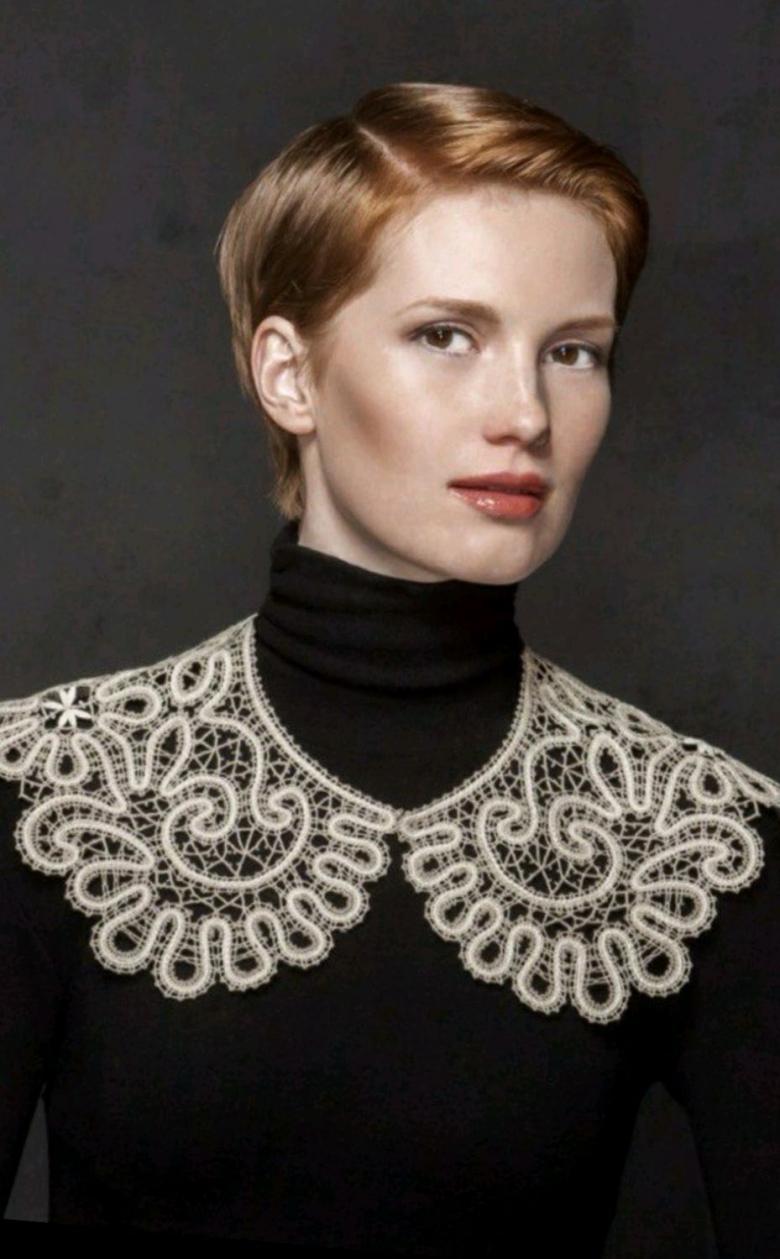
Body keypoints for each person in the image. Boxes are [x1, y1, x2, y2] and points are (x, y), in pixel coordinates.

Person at [1, 81, 778, 1256]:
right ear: (289, 374)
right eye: (446, 335)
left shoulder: (701, 840)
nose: (526, 414)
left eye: (573, 351)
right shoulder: (50, 791)